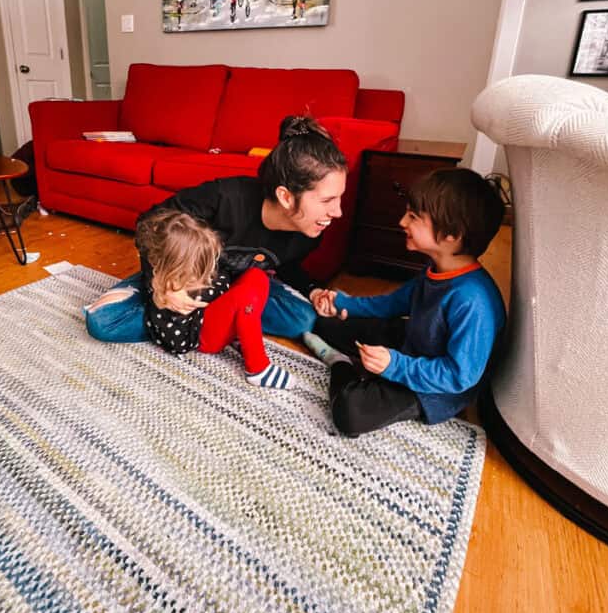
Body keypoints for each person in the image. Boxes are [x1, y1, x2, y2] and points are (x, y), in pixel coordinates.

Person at [85, 114, 348, 345]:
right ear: (286, 197)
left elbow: (285, 261)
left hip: (241, 285)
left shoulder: (311, 230)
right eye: (327, 201)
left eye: (339, 198)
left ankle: (207, 320)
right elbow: (149, 225)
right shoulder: (224, 197)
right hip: (187, 277)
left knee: (302, 321)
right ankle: (216, 321)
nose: (337, 212)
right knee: (104, 323)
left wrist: (313, 290)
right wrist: (163, 285)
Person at [303, 168, 506, 436]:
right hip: (415, 343)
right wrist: (344, 303)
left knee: (351, 413)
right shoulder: (436, 269)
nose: (402, 222)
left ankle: (339, 362)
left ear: (452, 235)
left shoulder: (473, 301)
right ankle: (362, 360)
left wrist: (394, 365)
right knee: (326, 325)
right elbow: (392, 304)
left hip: (434, 388)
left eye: (413, 216)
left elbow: (459, 376)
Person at [135, 209, 293, 388]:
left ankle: (241, 333)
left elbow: (220, 283)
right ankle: (258, 368)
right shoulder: (171, 287)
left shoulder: (183, 274)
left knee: (257, 276)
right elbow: (176, 343)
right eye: (200, 268)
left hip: (208, 316)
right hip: (201, 337)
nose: (207, 272)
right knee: (244, 298)